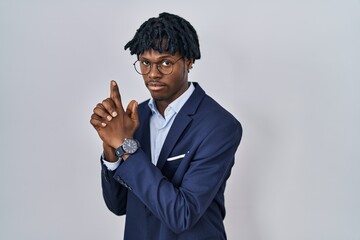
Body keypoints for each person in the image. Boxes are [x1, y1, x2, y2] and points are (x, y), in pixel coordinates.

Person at [90, 12, 242, 240]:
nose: (152, 74)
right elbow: (118, 205)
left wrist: (125, 144)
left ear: (189, 61)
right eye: (145, 63)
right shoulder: (134, 118)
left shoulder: (220, 126)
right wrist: (110, 146)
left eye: (165, 63)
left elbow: (182, 214)